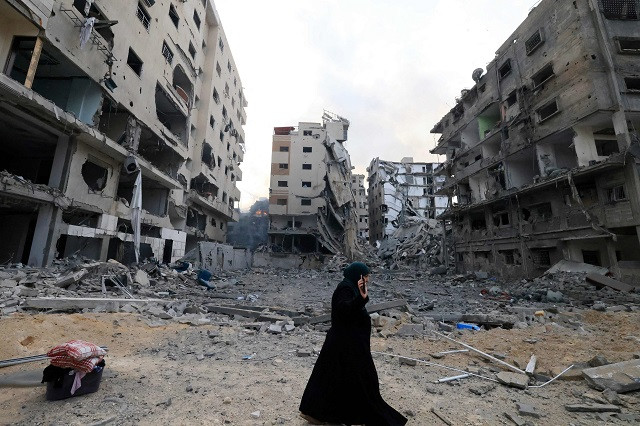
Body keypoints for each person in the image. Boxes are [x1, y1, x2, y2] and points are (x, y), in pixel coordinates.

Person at [299, 262, 408, 426]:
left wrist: (361, 298)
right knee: (355, 381)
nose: (368, 279)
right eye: (366, 276)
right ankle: (321, 414)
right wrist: (361, 299)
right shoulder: (345, 289)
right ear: (359, 276)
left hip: (349, 345)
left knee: (340, 381)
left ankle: (330, 415)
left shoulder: (351, 288)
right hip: (344, 346)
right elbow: (344, 310)